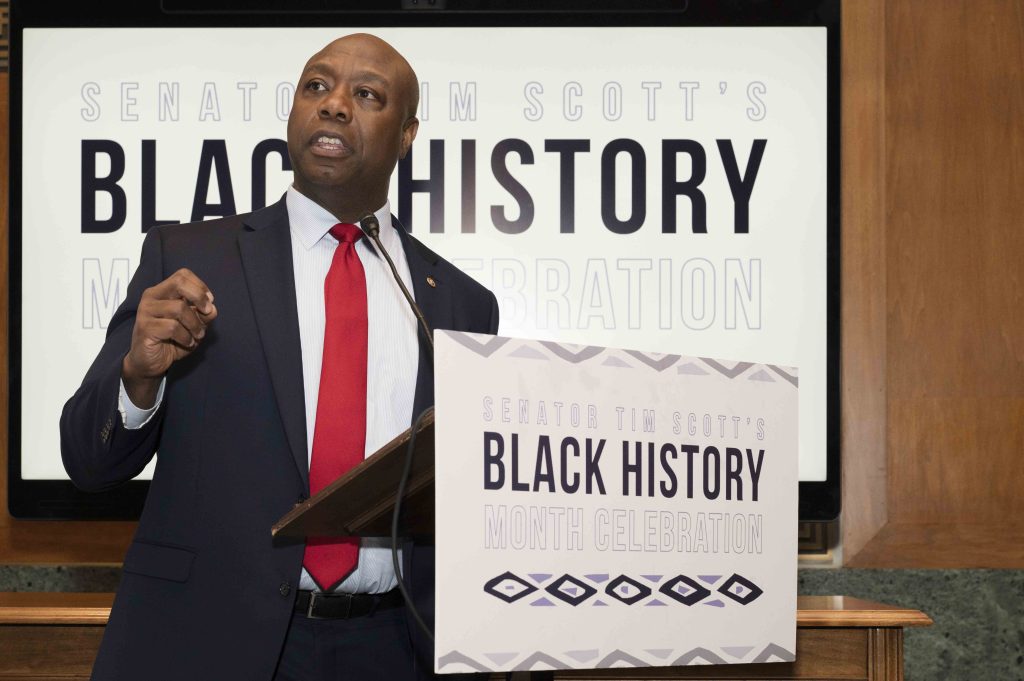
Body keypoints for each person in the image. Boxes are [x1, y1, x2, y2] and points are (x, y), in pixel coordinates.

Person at [60, 33, 498, 680]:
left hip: (394, 648)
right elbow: (89, 462)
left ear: (407, 135)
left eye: (367, 95)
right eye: (316, 87)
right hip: (209, 639)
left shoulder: (460, 302)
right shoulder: (191, 258)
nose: (334, 105)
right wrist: (137, 376)